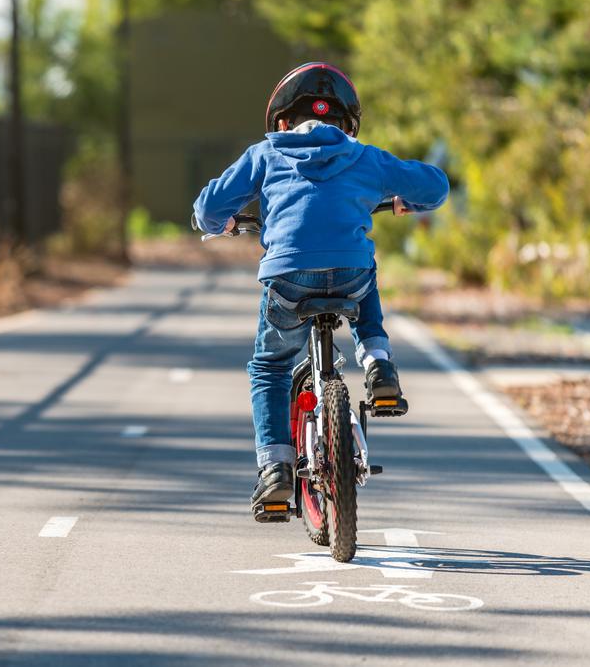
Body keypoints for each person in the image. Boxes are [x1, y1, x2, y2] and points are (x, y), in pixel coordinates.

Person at [191, 62, 449, 513]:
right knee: (364, 272)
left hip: (288, 279)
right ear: (345, 126)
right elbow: (436, 186)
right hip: (349, 275)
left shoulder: (265, 153)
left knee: (269, 367)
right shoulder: (364, 156)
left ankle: (274, 469)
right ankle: (379, 364)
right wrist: (407, 199)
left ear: (283, 122)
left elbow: (208, 207)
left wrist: (222, 223)